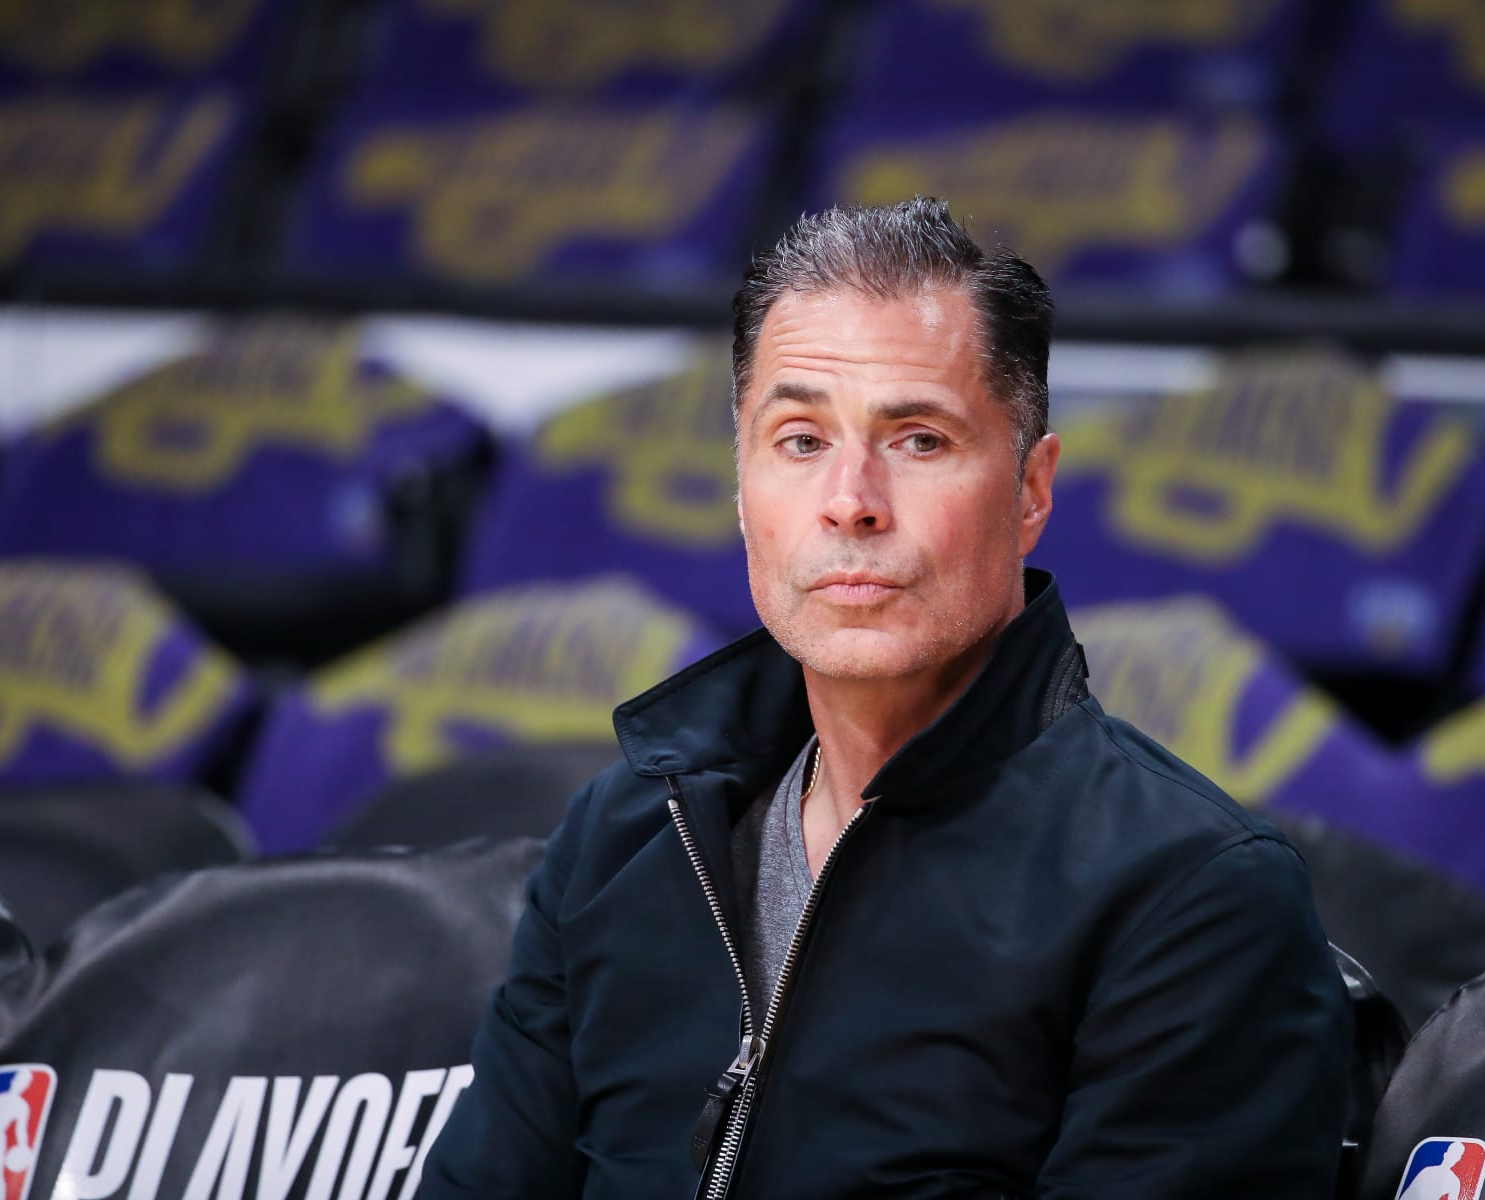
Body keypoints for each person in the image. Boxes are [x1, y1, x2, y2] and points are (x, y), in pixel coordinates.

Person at [420, 197, 1352, 1199]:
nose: (851, 499)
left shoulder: (1192, 899)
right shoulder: (627, 835)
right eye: (800, 439)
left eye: (918, 440)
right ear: (741, 487)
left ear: (1032, 491)